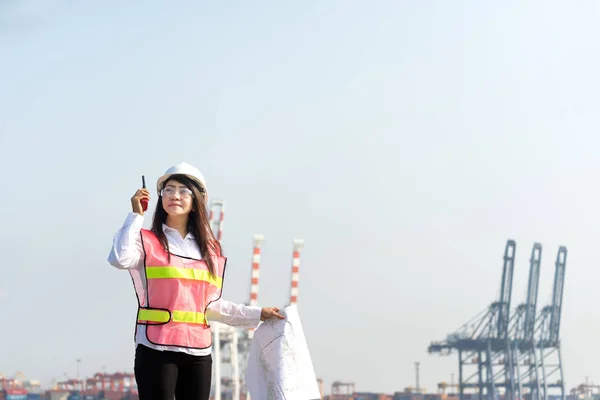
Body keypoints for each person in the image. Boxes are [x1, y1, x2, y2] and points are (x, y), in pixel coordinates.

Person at [107, 162, 284, 400]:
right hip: (156, 349)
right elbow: (120, 258)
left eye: (183, 190)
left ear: (196, 201)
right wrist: (136, 215)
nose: (174, 196)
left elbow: (210, 306)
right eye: (168, 190)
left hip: (198, 352)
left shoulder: (209, 250)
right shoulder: (147, 240)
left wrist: (257, 314)